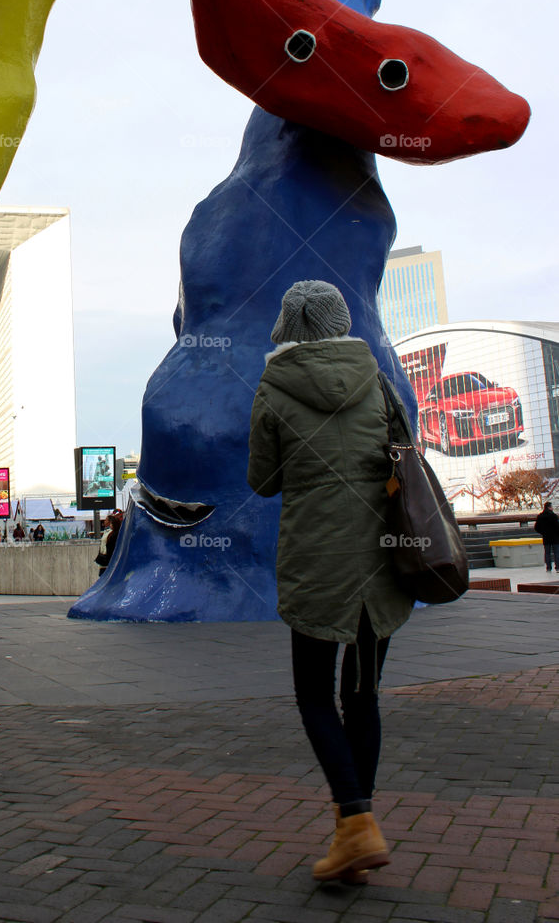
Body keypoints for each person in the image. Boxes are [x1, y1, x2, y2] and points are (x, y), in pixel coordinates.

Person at [247, 280, 413, 885]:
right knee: (362, 697)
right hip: (381, 561)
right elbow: (405, 451)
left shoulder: (274, 386)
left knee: (315, 696)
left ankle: (357, 825)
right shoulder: (376, 379)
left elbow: (263, 481)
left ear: (290, 327)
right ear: (340, 322)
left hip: (317, 564)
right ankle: (354, 831)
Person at [95, 510, 123, 576]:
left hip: (108, 559)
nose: (104, 521)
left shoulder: (113, 534)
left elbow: (110, 546)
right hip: (104, 558)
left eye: (106, 520)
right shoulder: (107, 532)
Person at [533, 500, 559, 572]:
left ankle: (548, 567)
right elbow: (557, 526)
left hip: (546, 537)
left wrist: (543, 532)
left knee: (547, 553)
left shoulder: (540, 516)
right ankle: (557, 567)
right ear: (549, 507)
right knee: (556, 552)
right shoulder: (554, 516)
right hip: (555, 538)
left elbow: (536, 527)